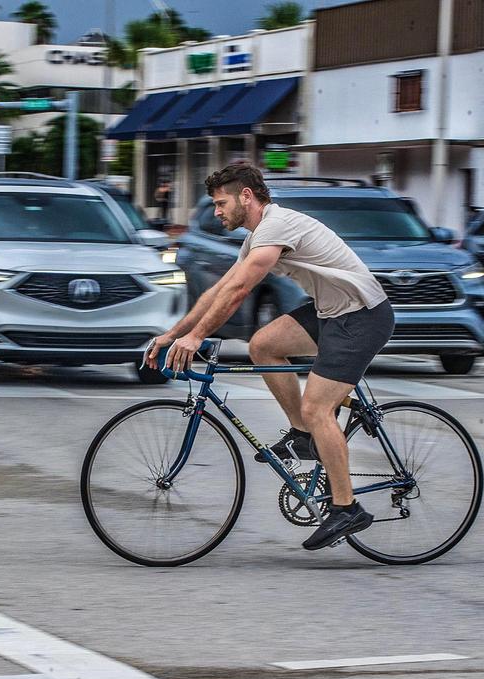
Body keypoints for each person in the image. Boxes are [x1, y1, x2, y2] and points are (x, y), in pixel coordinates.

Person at [146, 163, 395, 551]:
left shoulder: (277, 226)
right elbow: (218, 290)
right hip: (331, 311)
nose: (216, 212)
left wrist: (197, 338)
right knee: (263, 345)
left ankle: (347, 508)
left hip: (362, 315)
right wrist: (174, 334)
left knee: (318, 408)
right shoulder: (256, 238)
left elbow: (240, 290)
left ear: (247, 196)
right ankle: (304, 436)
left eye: (220, 203)